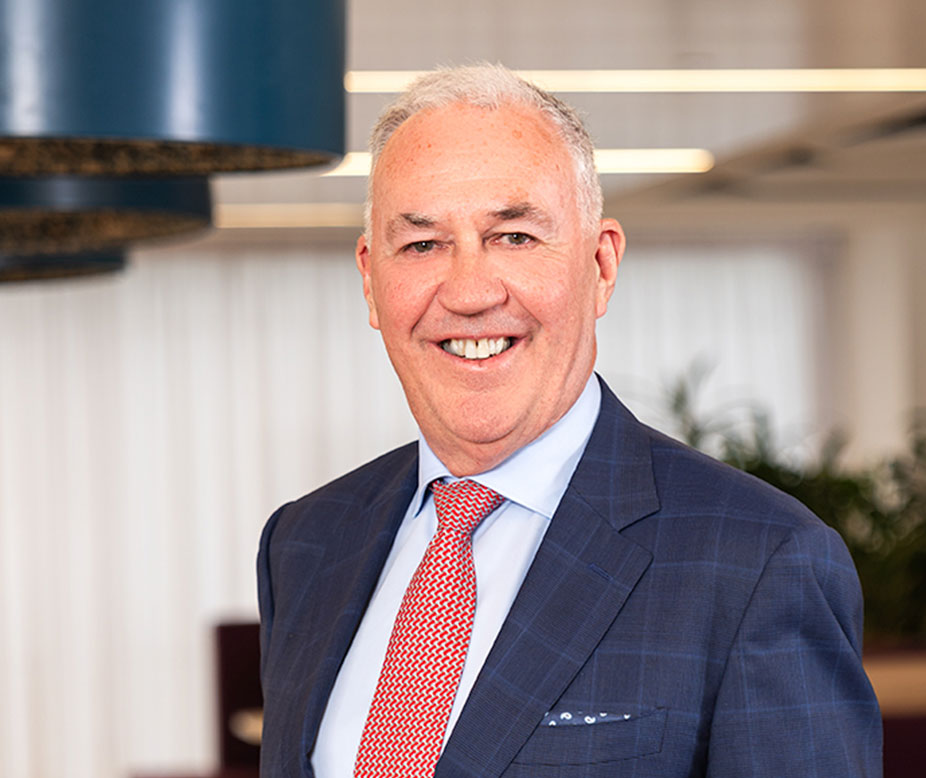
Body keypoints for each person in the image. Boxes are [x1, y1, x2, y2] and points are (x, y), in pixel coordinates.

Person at [257, 63, 882, 777]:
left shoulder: (759, 563)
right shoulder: (305, 544)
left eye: (515, 236)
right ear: (371, 280)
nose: (467, 292)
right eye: (423, 244)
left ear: (602, 265)